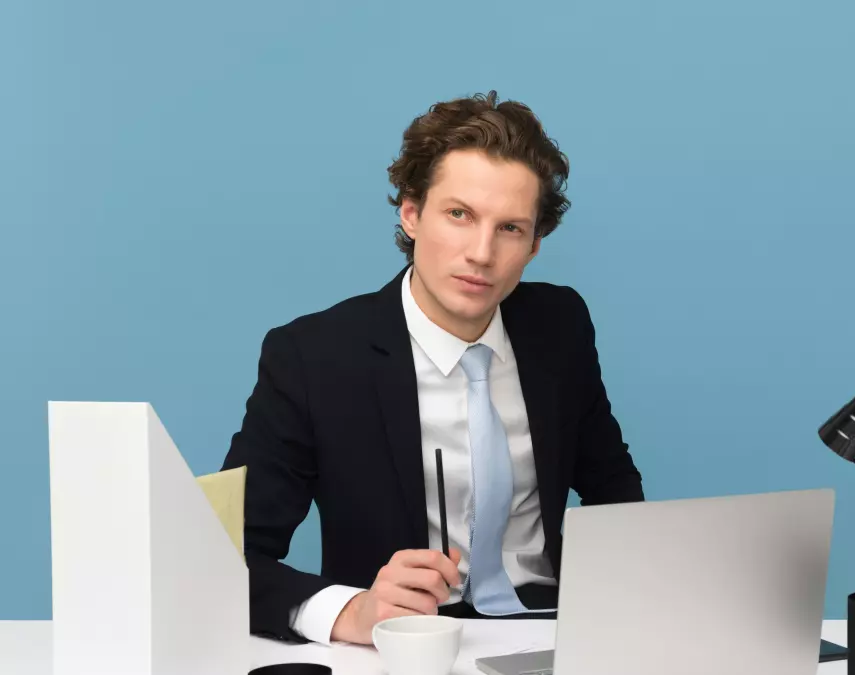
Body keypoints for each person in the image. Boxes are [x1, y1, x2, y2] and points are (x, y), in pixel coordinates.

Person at [222, 91, 644, 646]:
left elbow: (616, 493)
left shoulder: (559, 326)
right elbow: (225, 558)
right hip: (403, 647)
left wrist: (627, 604)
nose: (481, 253)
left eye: (511, 228)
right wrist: (350, 611)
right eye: (459, 215)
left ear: (536, 245)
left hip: (556, 635)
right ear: (412, 214)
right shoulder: (312, 357)